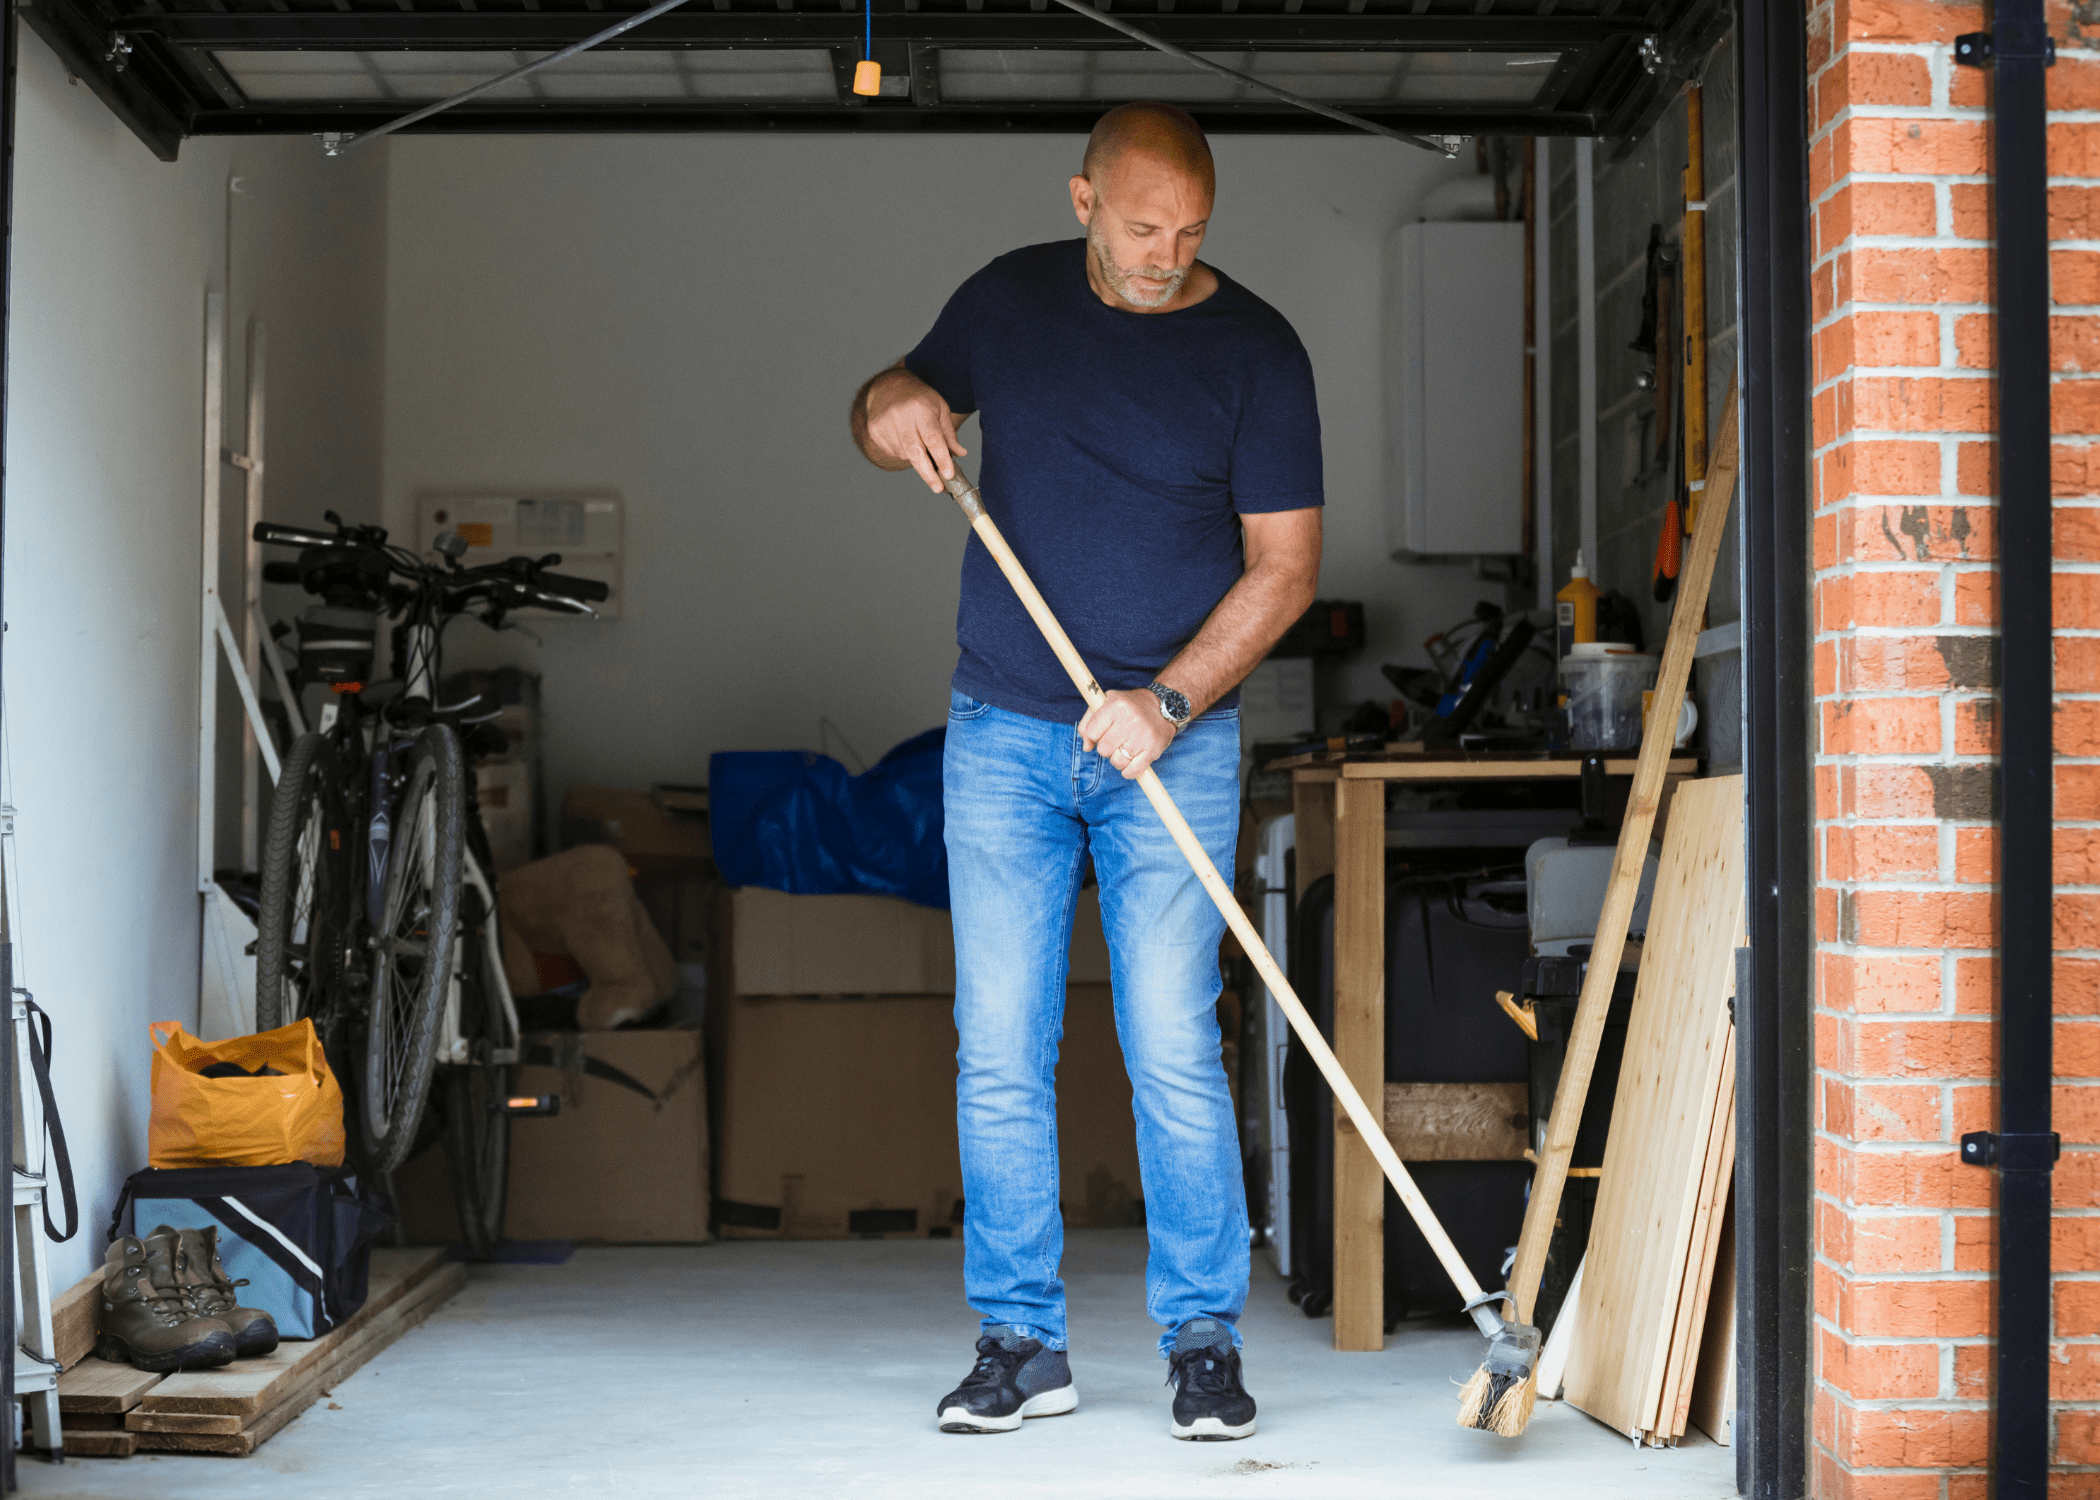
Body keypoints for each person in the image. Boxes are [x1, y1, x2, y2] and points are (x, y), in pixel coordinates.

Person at [848, 101, 1323, 1443]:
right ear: (1082, 200)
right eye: (1139, 226)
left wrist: (1165, 703)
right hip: (1003, 732)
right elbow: (889, 399)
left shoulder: (1256, 351)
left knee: (1172, 1040)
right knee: (1000, 1047)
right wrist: (889, 406)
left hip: (1176, 742)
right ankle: (1020, 1342)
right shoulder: (1007, 304)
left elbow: (1286, 569)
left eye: (1188, 232)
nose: (1165, 254)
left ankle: (1203, 1342)